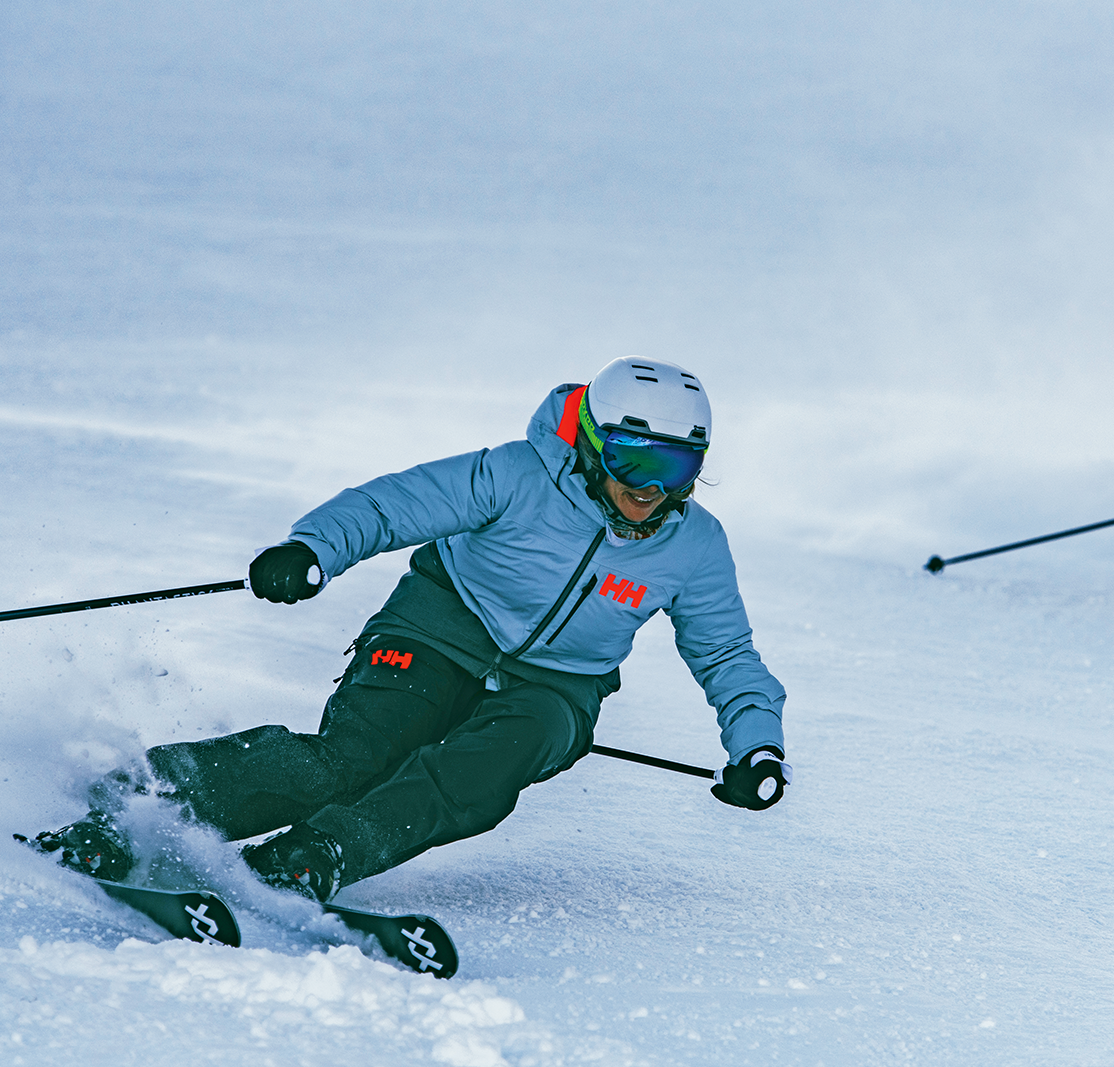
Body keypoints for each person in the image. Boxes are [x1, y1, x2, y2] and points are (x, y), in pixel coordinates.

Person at [22, 357, 791, 900]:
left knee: (487, 771)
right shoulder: (517, 474)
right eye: (632, 456)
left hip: (558, 685)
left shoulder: (693, 546)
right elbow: (397, 504)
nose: (648, 488)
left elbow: (726, 652)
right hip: (438, 625)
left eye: (676, 467)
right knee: (355, 759)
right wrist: (313, 548)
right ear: (593, 440)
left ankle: (318, 853)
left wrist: (756, 743)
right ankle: (143, 806)